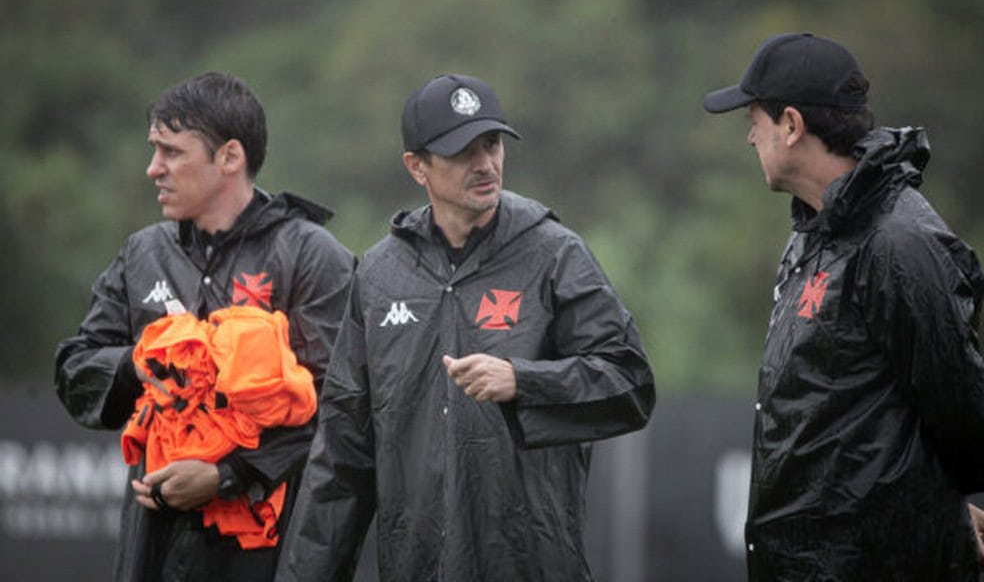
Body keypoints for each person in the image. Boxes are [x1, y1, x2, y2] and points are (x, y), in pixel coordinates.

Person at [276, 73, 656, 581]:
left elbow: (630, 383)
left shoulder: (555, 253)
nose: (485, 164)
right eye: (462, 152)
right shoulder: (379, 275)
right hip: (416, 567)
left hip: (531, 568)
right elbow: (342, 454)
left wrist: (524, 381)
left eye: (492, 144)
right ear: (417, 167)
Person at [54, 71, 356, 581]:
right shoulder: (143, 253)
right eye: (154, 150)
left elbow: (343, 410)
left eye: (172, 152)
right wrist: (140, 362)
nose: (153, 169)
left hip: (269, 554)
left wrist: (228, 474)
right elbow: (74, 371)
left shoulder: (310, 255)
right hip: (154, 546)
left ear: (230, 157)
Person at [702, 32, 984, 580]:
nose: (750, 137)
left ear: (791, 125)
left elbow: (963, 418)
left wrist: (932, 515)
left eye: (753, 121)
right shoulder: (811, 233)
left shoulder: (898, 242)